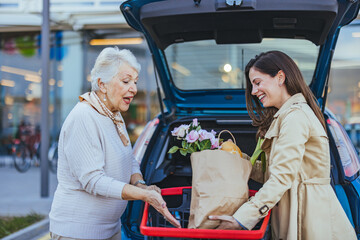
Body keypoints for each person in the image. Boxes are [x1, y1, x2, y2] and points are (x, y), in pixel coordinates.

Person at [209, 51, 356, 239]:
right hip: (297, 212)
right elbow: (271, 173)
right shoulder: (285, 117)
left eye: (257, 82)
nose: (253, 91)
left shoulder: (295, 117)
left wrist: (242, 219)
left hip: (310, 218)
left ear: (280, 77)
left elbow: (281, 178)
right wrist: (234, 157)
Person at [49, 47, 180, 240]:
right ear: (102, 84)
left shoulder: (113, 115)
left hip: (109, 230)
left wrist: (141, 185)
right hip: (77, 233)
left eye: (135, 82)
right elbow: (93, 180)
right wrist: (142, 195)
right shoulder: (84, 117)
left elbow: (128, 159)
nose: (134, 89)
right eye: (126, 81)